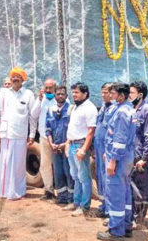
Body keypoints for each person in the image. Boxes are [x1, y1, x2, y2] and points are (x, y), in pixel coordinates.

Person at [96, 83, 136, 241]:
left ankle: (116, 230)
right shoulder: (128, 109)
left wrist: (112, 160)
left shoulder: (121, 113)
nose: (110, 96)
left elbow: (119, 140)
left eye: (113, 93)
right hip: (126, 157)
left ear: (121, 95)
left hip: (119, 158)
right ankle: (126, 225)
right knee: (125, 191)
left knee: (115, 193)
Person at [0, 67, 37, 200]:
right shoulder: (4, 94)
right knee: (4, 163)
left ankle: (17, 192)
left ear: (23, 79)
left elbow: (32, 116)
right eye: (13, 77)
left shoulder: (28, 94)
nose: (15, 79)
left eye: (18, 77)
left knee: (18, 165)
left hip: (20, 134)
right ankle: (2, 192)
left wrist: (32, 135)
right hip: (6, 133)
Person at [64, 82, 98, 216]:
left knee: (84, 177)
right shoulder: (76, 108)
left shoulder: (89, 108)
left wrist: (84, 149)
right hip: (72, 144)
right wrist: (67, 143)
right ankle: (76, 202)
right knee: (75, 176)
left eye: (77, 93)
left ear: (85, 94)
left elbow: (91, 131)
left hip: (80, 145)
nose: (74, 95)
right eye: (73, 93)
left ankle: (85, 206)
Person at [129, 81, 148, 227]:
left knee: (141, 188)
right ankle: (133, 217)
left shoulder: (147, 111)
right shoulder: (132, 109)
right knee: (132, 187)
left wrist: (144, 158)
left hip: (141, 157)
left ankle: (140, 219)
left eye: (131, 93)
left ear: (140, 95)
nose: (129, 95)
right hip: (131, 155)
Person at [45, 86, 73, 205]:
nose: (60, 96)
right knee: (58, 172)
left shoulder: (71, 109)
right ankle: (61, 198)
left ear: (66, 96)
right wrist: (51, 143)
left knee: (69, 173)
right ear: (55, 96)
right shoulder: (50, 109)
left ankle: (71, 198)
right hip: (55, 148)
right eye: (58, 94)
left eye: (62, 94)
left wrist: (65, 143)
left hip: (67, 147)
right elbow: (48, 129)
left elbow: (73, 129)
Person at [32, 78, 57, 200]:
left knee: (59, 166)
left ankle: (65, 193)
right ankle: (49, 191)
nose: (48, 90)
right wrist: (39, 99)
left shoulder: (61, 99)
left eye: (50, 88)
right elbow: (33, 114)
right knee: (45, 165)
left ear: (55, 88)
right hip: (43, 137)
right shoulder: (41, 100)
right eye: (46, 88)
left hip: (57, 139)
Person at [93, 83, 114, 218]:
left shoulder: (115, 109)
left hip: (107, 150)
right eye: (102, 92)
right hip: (99, 148)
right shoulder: (103, 108)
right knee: (100, 176)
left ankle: (110, 209)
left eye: (105, 92)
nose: (103, 95)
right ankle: (104, 205)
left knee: (109, 179)